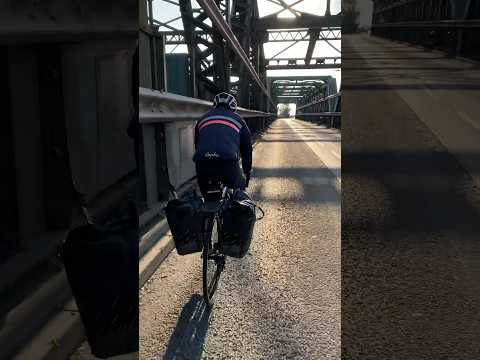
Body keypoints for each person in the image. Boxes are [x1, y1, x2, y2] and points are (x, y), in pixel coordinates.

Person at [193, 92, 252, 197]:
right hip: (228, 161)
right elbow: (247, 148)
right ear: (233, 106)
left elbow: (197, 144)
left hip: (202, 161)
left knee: (205, 197)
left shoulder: (202, 119)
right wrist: (247, 171)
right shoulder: (239, 119)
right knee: (239, 193)